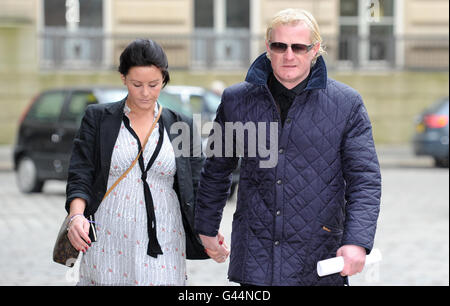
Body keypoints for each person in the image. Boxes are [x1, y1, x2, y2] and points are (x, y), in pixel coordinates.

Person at [194, 8, 382, 286]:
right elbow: (216, 170)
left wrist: (357, 241)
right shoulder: (236, 100)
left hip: (319, 257)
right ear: (268, 47)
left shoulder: (347, 104)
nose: (289, 55)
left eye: (299, 47)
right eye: (280, 46)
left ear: (315, 49)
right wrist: (206, 229)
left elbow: (365, 180)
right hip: (256, 257)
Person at [65, 38, 209, 286]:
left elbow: (198, 185)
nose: (145, 93)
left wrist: (209, 231)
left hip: (165, 236)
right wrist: (76, 217)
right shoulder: (98, 118)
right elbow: (81, 173)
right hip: (109, 236)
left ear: (164, 78)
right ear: (123, 78)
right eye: (137, 84)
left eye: (153, 84)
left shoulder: (181, 124)